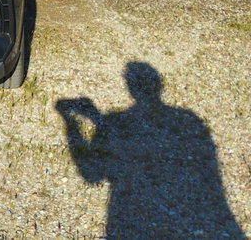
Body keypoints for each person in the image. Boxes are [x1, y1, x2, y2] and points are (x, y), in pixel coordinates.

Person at [56, 62, 243, 238]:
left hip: (127, 218)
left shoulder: (117, 121)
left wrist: (70, 121)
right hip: (186, 220)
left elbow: (91, 174)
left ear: (130, 87)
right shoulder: (189, 119)